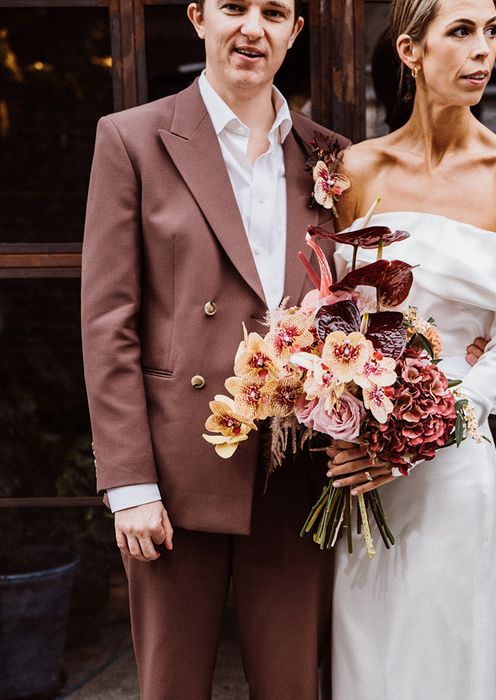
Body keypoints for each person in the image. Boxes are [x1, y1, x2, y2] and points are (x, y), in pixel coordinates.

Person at [80, 0, 352, 696]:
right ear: (198, 16)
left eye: (274, 12)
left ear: (296, 31)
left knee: (292, 685)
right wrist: (130, 484)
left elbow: (344, 312)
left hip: (294, 472)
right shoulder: (133, 139)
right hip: (173, 474)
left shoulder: (328, 155)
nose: (252, 28)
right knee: (171, 687)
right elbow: (109, 320)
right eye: (234, 7)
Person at [326, 0, 496, 697]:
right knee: (367, 660)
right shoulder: (357, 170)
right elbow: (335, 313)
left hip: (455, 461)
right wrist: (343, 414)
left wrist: (428, 431)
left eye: (490, 32)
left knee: (447, 662)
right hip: (362, 470)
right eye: (461, 31)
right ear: (410, 51)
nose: (483, 49)